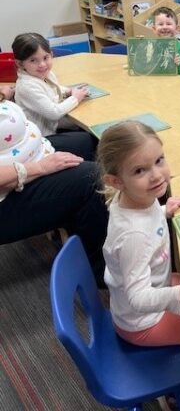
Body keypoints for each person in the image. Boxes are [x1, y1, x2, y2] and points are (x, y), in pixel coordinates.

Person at [97, 120, 180, 346]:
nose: (156, 175)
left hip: (157, 284)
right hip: (143, 324)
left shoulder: (135, 199)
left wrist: (163, 211)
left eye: (159, 160)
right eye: (140, 170)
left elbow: (144, 223)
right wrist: (179, 294)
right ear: (116, 181)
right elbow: (138, 298)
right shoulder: (135, 236)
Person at [0, 85, 108, 280]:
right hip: (7, 195)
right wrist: (41, 167)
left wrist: (7, 91)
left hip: (30, 155)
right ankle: (98, 271)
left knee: (88, 141)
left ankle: (82, 224)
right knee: (93, 179)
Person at [12, 32, 96, 159]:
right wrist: (75, 98)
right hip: (42, 138)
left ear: (51, 55)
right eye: (33, 60)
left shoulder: (44, 74)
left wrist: (68, 91)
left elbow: (52, 88)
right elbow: (53, 112)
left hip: (54, 127)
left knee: (87, 128)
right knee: (88, 139)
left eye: (45, 58)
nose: (42, 65)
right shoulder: (26, 86)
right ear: (20, 64)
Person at [151, 7, 180, 76]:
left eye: (169, 24)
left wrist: (179, 65)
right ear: (154, 29)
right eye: (160, 24)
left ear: (177, 28)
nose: (165, 27)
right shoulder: (151, 47)